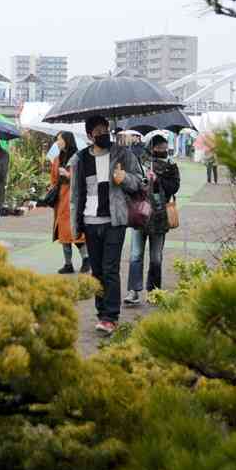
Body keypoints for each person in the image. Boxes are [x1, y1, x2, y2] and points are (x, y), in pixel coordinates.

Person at [70, 116, 145, 335]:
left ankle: (110, 316)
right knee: (98, 271)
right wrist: (76, 224)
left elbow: (140, 182)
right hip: (90, 221)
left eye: (106, 129)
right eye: (98, 131)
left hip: (115, 220)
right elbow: (75, 194)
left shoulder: (122, 154)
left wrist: (125, 178)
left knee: (110, 268)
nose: (103, 133)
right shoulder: (80, 159)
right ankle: (101, 311)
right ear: (89, 135)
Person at [124, 134, 181, 305]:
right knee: (135, 255)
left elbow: (175, 187)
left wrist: (158, 180)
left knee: (156, 256)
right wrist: (142, 181)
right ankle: (133, 291)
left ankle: (153, 291)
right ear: (152, 147)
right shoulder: (139, 162)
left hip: (159, 216)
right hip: (140, 215)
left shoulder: (171, 166)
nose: (162, 151)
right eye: (159, 148)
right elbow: (131, 186)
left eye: (164, 148)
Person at [50, 132, 90, 274]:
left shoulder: (78, 158)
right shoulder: (56, 159)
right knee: (63, 233)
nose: (57, 142)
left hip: (73, 199)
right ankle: (68, 264)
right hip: (61, 200)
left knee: (74, 230)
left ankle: (86, 259)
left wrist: (68, 175)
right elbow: (53, 180)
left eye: (59, 139)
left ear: (67, 140)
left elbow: (83, 178)